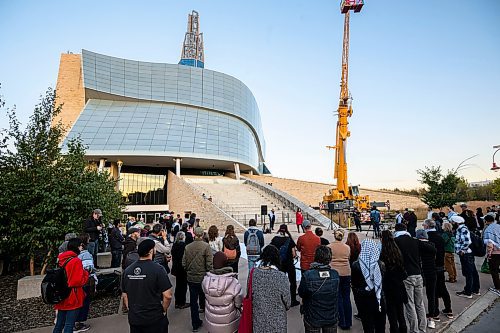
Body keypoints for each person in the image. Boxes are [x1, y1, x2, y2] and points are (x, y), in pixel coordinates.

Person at [122, 239, 173, 333]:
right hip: (154, 318)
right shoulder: (158, 269)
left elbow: (125, 294)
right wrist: (163, 310)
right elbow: (168, 295)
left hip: (135, 318)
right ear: (151, 251)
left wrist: (131, 309)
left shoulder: (128, 270)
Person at [394, 223, 427, 332]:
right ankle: (423, 328)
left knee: (410, 304)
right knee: (420, 304)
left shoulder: (397, 241)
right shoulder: (415, 241)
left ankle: (414, 330)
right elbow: (429, 248)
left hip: (407, 275)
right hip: (418, 274)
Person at [298, 245, 340, 333]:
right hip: (331, 316)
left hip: (313, 316)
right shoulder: (335, 274)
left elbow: (301, 293)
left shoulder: (308, 275)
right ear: (329, 258)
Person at [53, 238, 89, 333]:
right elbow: (77, 281)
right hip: (73, 296)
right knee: (69, 324)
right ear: (76, 247)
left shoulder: (61, 259)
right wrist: (85, 274)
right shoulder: (75, 261)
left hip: (61, 294)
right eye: (80, 245)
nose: (82, 247)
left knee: (59, 324)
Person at [252, 245, 291, 333]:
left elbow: (250, 295)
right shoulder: (281, 276)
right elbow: (288, 303)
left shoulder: (253, 274)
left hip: (258, 322)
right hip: (278, 324)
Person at [202, 252, 242, 333]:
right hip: (229, 323)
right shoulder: (233, 282)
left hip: (212, 321)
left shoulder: (206, 281)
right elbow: (238, 303)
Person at [351, 239, 386, 333]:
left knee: (368, 326)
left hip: (364, 299)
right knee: (380, 326)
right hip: (379, 298)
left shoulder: (356, 265)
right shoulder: (381, 264)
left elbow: (354, 284)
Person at [183, 227, 213, 332]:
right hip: (203, 277)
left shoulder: (188, 247)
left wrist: (189, 270)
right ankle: (209, 321)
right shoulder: (206, 246)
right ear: (202, 235)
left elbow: (184, 263)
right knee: (205, 299)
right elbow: (209, 264)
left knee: (193, 301)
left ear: (194, 234)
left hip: (191, 277)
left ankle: (195, 323)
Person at [424, 219, 453, 319]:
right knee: (442, 288)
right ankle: (448, 309)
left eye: (424, 225)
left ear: (427, 226)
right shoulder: (440, 236)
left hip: (431, 266)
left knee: (432, 291)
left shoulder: (427, 237)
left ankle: (434, 312)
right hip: (440, 265)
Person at [380, 230, 408, 333]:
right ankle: (403, 330)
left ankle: (394, 330)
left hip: (388, 287)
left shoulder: (382, 253)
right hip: (399, 286)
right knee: (400, 312)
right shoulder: (397, 251)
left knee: (392, 315)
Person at [73, 234, 98, 333]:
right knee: (84, 302)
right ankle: (78, 323)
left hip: (76, 282)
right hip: (85, 281)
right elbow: (88, 268)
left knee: (78, 302)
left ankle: (73, 322)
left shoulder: (73, 254)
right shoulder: (86, 254)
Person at [328, 229, 352, 330]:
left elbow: (328, 259)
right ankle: (348, 321)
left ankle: (341, 321)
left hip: (334, 272)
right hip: (346, 272)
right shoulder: (347, 247)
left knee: (338, 297)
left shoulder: (329, 247)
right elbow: (349, 258)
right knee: (346, 297)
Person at [271, 224, 299, 307]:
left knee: (279, 281)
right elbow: (294, 254)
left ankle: (279, 298)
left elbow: (271, 250)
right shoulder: (289, 240)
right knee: (292, 282)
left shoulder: (275, 239)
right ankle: (293, 299)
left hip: (279, 263)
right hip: (289, 263)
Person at [452, 215, 480, 298]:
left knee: (469, 273)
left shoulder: (462, 229)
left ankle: (468, 292)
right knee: (473, 271)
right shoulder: (462, 228)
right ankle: (475, 289)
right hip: (468, 253)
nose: (452, 223)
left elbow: (467, 241)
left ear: (456, 223)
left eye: (453, 222)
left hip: (466, 254)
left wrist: (462, 251)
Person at [415, 229, 438, 329]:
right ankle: (432, 316)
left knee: (417, 297)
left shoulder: (417, 245)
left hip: (421, 272)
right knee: (431, 295)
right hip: (432, 272)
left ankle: (419, 319)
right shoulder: (432, 244)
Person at [170, 231, 190, 309]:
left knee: (178, 285)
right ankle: (182, 302)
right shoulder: (183, 246)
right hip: (182, 268)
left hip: (176, 267)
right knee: (183, 286)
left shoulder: (175, 245)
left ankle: (177, 302)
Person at [483, 214, 500, 296]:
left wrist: (488, 254)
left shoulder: (488, 229)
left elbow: (490, 243)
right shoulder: (498, 226)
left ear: (486, 221)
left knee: (494, 270)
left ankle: (498, 288)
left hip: (494, 253)